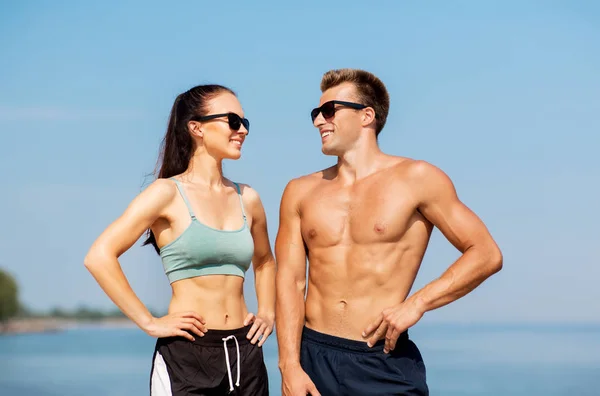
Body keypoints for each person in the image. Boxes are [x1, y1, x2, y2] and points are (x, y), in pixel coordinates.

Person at [275, 69, 503, 396]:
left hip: (382, 358)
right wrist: (289, 365)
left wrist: (417, 303)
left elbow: (486, 253)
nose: (318, 122)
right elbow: (290, 282)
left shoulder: (418, 179)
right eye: (315, 113)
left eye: (328, 111)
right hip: (313, 357)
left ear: (366, 115)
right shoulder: (299, 191)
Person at [84, 84, 275, 396]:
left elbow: (265, 262)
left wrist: (268, 312)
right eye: (233, 121)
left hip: (246, 352)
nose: (242, 130)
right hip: (187, 355)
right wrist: (149, 322)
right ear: (196, 128)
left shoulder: (248, 198)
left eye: (245, 123)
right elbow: (99, 256)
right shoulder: (166, 193)